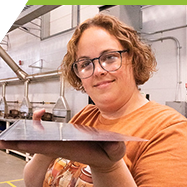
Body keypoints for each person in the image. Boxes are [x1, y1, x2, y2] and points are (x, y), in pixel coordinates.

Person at [1, 13, 187, 187]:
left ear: (134, 58)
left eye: (110, 57)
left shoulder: (169, 130)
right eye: (85, 64)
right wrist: (45, 149)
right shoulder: (85, 116)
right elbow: (33, 183)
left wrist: (108, 167)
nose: (98, 70)